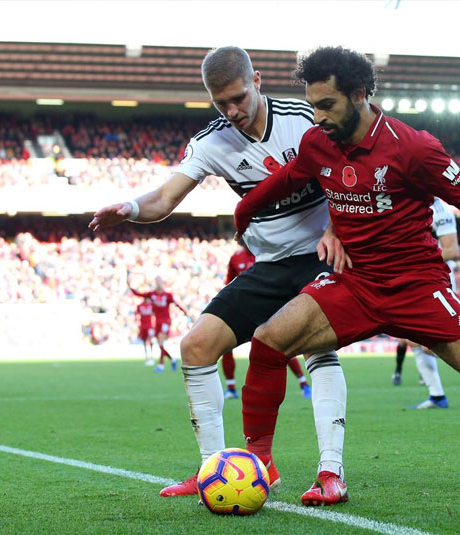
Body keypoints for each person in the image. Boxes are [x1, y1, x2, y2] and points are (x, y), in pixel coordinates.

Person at [233, 46, 460, 503]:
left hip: (418, 288)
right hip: (354, 283)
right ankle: (260, 467)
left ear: (359, 95)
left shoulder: (413, 147)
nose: (317, 117)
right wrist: (246, 208)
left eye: (326, 105)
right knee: (269, 340)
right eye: (312, 105)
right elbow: (290, 177)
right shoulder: (318, 143)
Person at [89, 46, 351, 505]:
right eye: (220, 103)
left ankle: (331, 471)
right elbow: (164, 200)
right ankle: (213, 469)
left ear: (258, 80)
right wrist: (129, 208)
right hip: (269, 266)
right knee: (195, 346)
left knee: (316, 346)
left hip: (320, 257)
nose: (232, 111)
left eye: (238, 97)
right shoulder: (211, 142)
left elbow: (354, 173)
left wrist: (335, 228)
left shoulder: (302, 119)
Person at [221, 243, 311, 400]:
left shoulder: (267, 253)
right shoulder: (235, 257)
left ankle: (303, 384)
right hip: (243, 309)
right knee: (225, 346)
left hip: (266, 309)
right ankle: (230, 388)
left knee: (281, 346)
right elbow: (228, 284)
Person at [392, 199, 460, 406]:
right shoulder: (405, 200)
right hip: (414, 279)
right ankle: (437, 395)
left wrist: (413, 262)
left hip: (435, 280)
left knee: (447, 341)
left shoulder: (439, 209)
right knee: (413, 339)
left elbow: (452, 250)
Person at [128, 274, 188, 373]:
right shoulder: (152, 294)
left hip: (166, 321)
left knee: (160, 340)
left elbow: (176, 304)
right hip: (157, 322)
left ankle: (161, 366)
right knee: (160, 344)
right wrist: (130, 285)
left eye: (160, 281)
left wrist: (184, 312)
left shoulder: (167, 295)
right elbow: (139, 294)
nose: (158, 284)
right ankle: (172, 359)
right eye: (157, 282)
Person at [135, 295, 157, 366]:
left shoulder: (151, 306)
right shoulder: (140, 306)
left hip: (149, 326)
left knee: (150, 341)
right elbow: (137, 315)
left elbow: (154, 314)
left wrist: (154, 324)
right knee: (144, 341)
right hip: (143, 326)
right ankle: (147, 357)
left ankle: (151, 356)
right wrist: (138, 324)